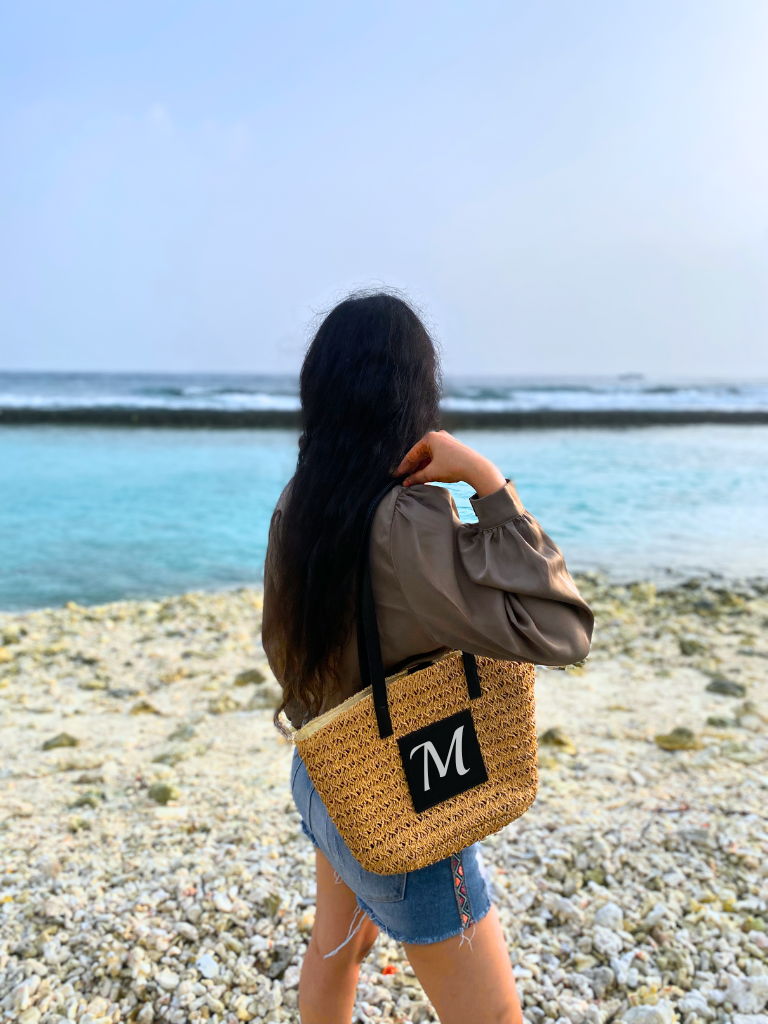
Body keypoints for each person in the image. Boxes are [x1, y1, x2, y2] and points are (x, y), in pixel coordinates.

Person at [262, 291, 593, 1024]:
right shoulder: (407, 519)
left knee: (335, 954)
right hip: (409, 790)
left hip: (328, 774)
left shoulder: (300, 502)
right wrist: (486, 483)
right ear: (414, 393)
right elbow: (561, 630)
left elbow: (283, 650)